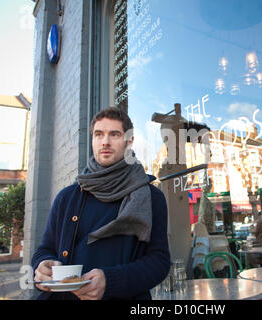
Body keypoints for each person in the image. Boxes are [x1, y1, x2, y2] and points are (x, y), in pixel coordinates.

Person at [31, 107, 171, 300]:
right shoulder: (67, 197)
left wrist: (112, 281)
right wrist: (42, 265)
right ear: (92, 140)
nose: (105, 141)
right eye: (99, 134)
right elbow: (45, 249)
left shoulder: (150, 197)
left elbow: (159, 262)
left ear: (129, 141)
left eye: (114, 134)